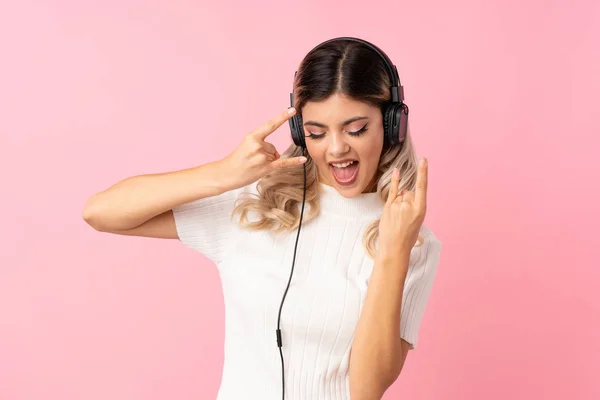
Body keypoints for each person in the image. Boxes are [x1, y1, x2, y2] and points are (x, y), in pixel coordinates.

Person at [82, 37, 442, 400]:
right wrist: (224, 173)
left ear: (392, 123)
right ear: (301, 132)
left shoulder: (412, 241)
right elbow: (101, 212)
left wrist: (393, 250)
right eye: (317, 133)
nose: (336, 149)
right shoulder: (258, 204)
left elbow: (366, 390)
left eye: (355, 129)